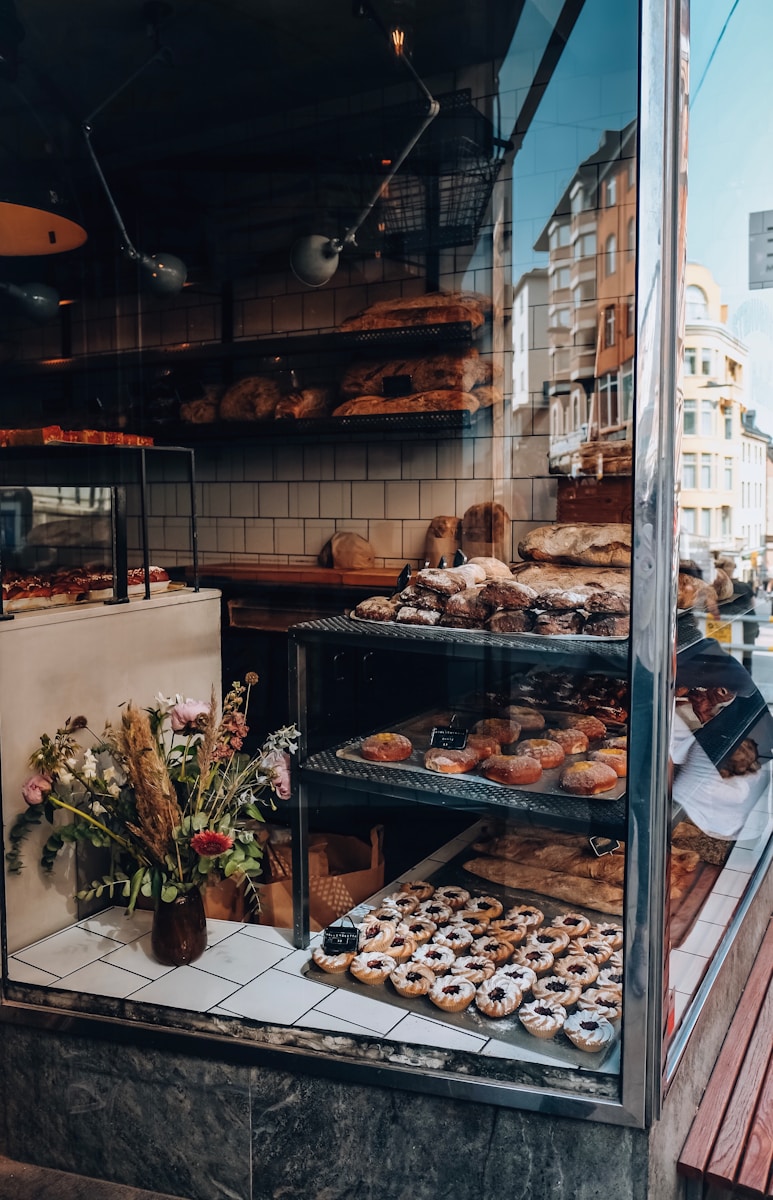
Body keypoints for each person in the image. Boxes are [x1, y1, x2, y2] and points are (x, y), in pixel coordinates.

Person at [716, 556, 759, 673]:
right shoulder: (744, 586)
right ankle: (745, 685)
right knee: (745, 658)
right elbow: (753, 605)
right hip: (747, 627)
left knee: (723, 658)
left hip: (723, 628)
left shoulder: (716, 588)